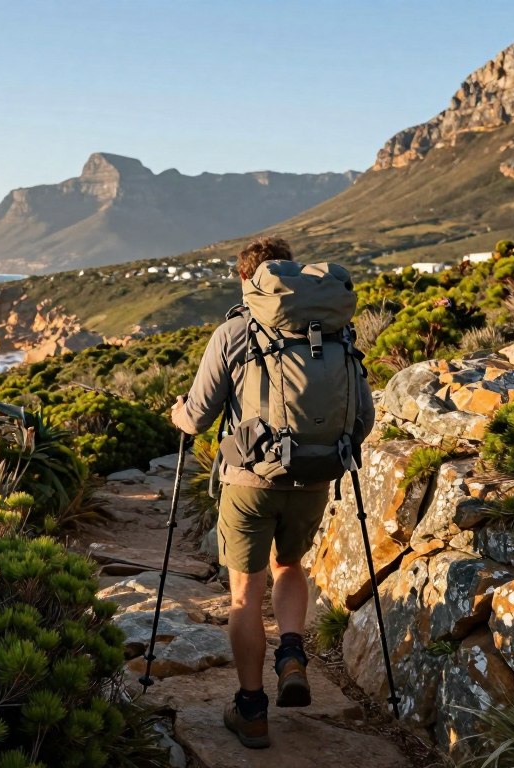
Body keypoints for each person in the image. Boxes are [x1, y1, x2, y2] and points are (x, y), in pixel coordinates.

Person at [170, 235, 374, 749]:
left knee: (243, 595)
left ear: (246, 279)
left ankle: (251, 709)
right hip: (315, 476)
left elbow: (195, 418)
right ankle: (290, 654)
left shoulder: (236, 329)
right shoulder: (335, 330)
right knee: (290, 567)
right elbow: (364, 416)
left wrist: (176, 412)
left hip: (250, 482)